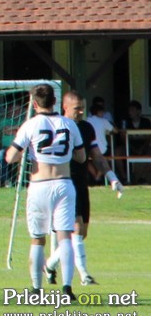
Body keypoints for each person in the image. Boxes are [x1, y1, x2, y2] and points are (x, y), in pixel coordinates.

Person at [4, 83, 85, 300]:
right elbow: (81, 156)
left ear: (34, 103)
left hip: (39, 185)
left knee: (38, 238)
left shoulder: (30, 125)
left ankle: (36, 289)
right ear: (55, 101)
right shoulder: (69, 124)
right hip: (64, 183)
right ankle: (67, 288)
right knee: (64, 237)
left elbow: (10, 157)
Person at [44, 91, 123, 287]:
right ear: (65, 107)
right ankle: (84, 275)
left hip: (81, 183)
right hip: (63, 183)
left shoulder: (87, 128)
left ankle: (49, 264)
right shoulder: (57, 125)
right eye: (77, 108)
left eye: (82, 108)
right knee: (76, 228)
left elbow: (96, 156)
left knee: (80, 234)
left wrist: (112, 177)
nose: (80, 112)